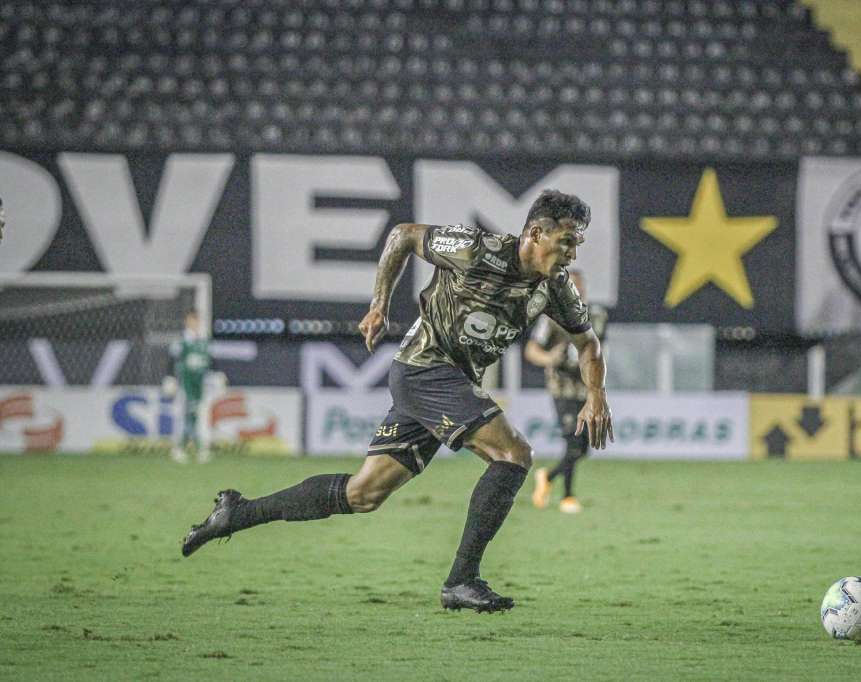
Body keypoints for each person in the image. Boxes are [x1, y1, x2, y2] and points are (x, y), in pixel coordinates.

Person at [181, 190, 614, 613]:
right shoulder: (477, 250)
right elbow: (404, 234)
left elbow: (588, 344)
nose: (573, 253)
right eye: (567, 241)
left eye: (577, 243)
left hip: (446, 383)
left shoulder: (555, 287)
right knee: (514, 453)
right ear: (536, 233)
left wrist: (596, 397)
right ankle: (462, 580)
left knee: (363, 493)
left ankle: (236, 514)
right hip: (425, 369)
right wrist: (379, 304)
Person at [525, 270, 608, 514]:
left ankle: (548, 477)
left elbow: (598, 350)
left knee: (584, 448)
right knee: (573, 441)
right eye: (571, 287)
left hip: (587, 387)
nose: (576, 291)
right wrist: (550, 357)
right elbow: (531, 350)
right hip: (562, 388)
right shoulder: (550, 318)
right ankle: (568, 497)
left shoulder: (597, 315)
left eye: (579, 287)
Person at [165, 310, 213, 463]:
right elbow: (172, 360)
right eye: (192, 320)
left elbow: (209, 362)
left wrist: (216, 375)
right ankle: (178, 448)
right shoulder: (181, 341)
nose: (195, 324)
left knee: (201, 416)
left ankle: (202, 449)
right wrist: (170, 378)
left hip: (200, 385)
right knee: (182, 416)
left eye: (197, 321)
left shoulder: (203, 342)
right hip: (184, 384)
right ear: (187, 321)